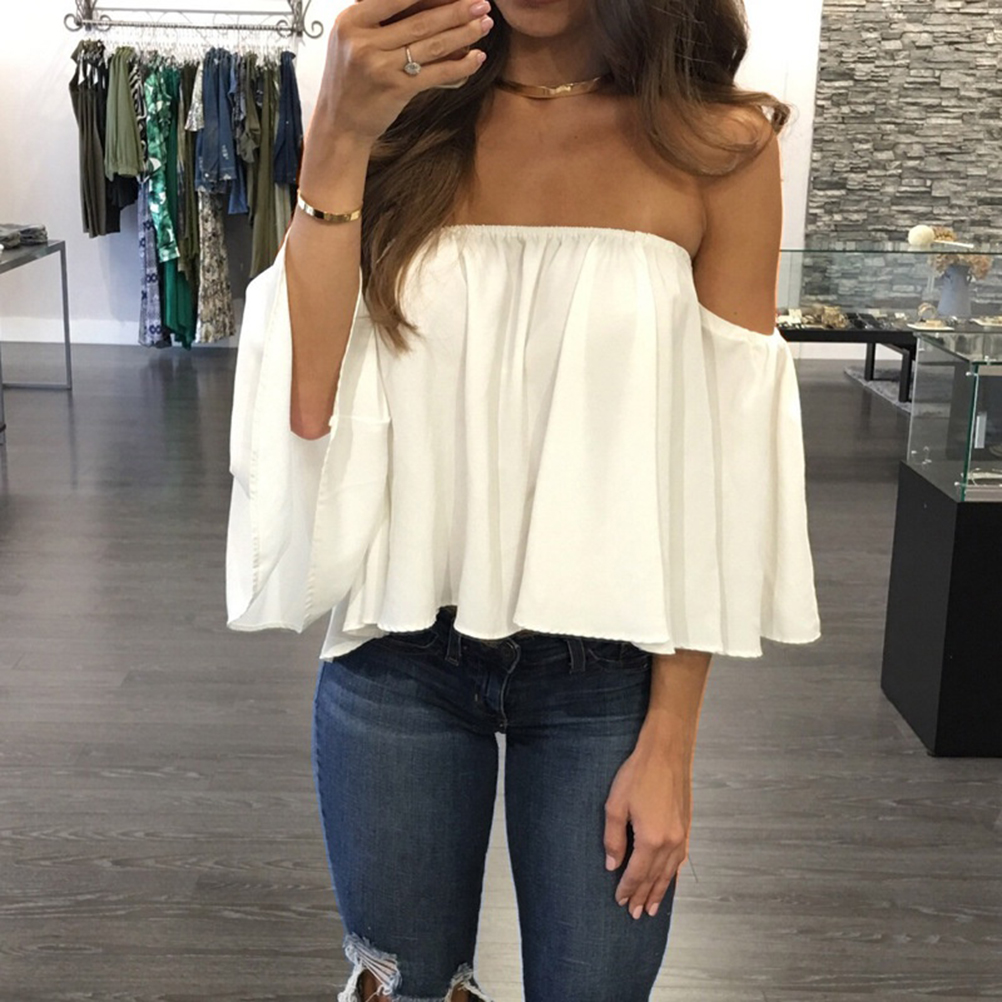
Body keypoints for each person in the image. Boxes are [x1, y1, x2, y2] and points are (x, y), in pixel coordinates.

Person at [225, 0, 822, 999]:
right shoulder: (396, 123)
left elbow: (724, 470)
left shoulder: (717, 146)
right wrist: (336, 138)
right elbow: (309, 402)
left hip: (607, 674)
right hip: (396, 655)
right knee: (403, 987)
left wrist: (672, 742)